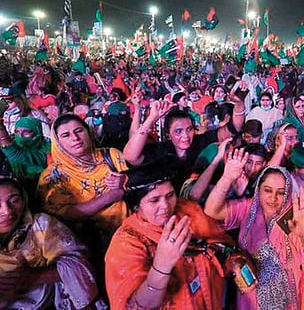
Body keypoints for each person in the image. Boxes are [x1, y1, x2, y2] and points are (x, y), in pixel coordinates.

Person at [105, 161, 237, 309]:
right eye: (154, 200)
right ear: (136, 205)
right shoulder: (127, 241)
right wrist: (162, 266)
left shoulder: (187, 210)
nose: (165, 206)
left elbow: (220, 243)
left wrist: (234, 260)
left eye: (170, 195)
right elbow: (134, 306)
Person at [204, 149, 304, 310]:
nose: (273, 198)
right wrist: (226, 179)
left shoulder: (295, 216)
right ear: (258, 188)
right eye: (267, 190)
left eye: (281, 193)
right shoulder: (249, 208)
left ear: (288, 193)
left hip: (287, 300)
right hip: (251, 297)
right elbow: (212, 211)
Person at [37, 114, 129, 266]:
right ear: (57, 142)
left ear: (88, 131)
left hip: (127, 231)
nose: (75, 138)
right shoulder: (52, 177)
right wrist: (110, 197)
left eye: (79, 131)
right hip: (88, 243)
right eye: (66, 135)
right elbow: (64, 214)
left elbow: (136, 184)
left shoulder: (111, 155)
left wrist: (125, 182)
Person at [0, 177, 105, 309]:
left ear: (24, 199)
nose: (7, 211)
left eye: (15, 200)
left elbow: (81, 264)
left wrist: (34, 277)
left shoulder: (41, 226)